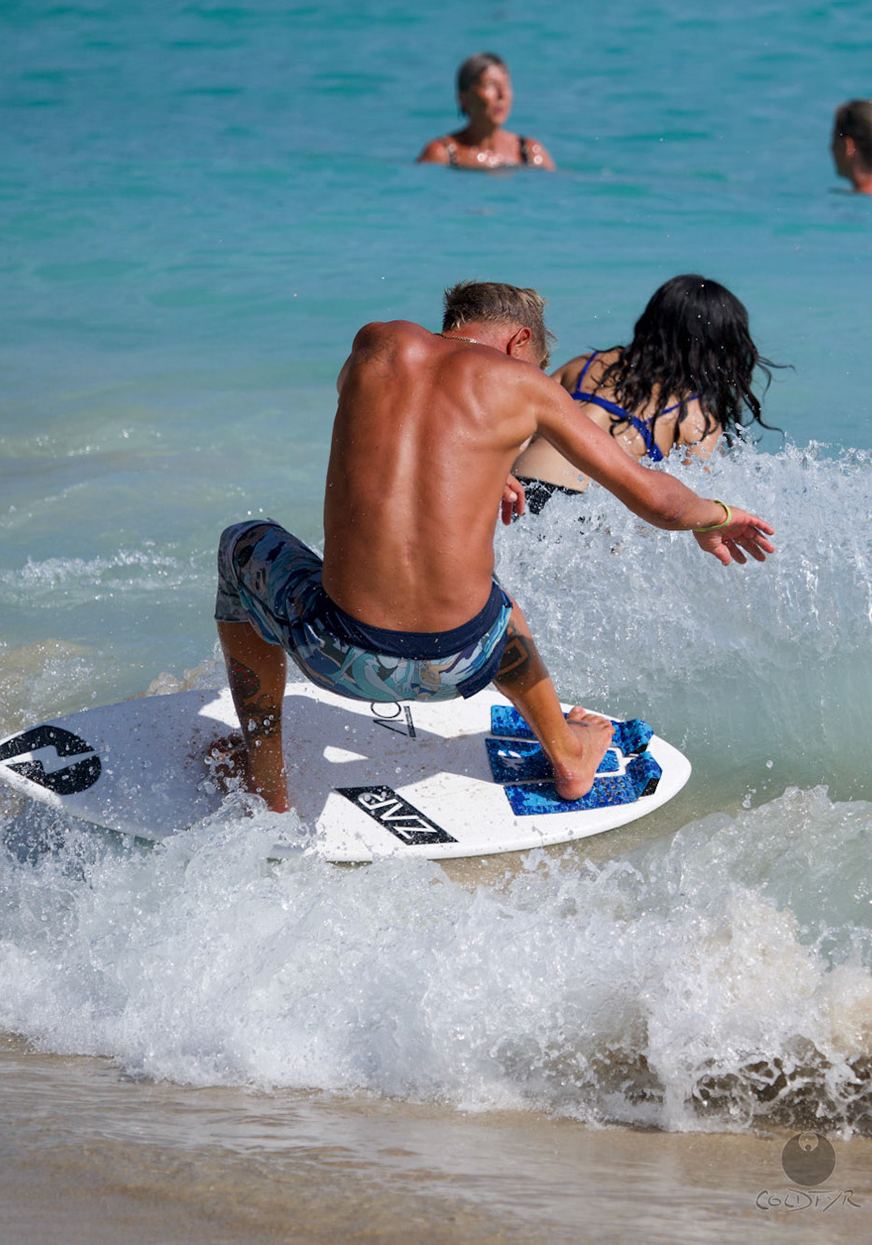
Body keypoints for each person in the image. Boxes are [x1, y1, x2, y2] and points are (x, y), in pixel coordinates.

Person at [211, 281, 775, 812]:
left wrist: (478, 467)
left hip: (333, 656)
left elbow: (394, 425)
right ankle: (568, 754)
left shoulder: (376, 343)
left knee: (242, 543)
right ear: (519, 341)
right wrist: (716, 516)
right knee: (497, 602)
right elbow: (660, 503)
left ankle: (267, 785)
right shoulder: (526, 385)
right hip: (460, 662)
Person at [511, 275, 779, 515]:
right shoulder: (695, 416)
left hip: (514, 489)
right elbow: (692, 506)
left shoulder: (584, 366)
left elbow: (519, 428)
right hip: (576, 511)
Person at [416, 53, 554, 172]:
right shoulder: (442, 153)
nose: (501, 95)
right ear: (463, 98)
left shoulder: (528, 152)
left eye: (506, 86)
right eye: (490, 85)